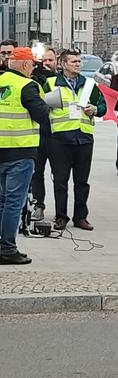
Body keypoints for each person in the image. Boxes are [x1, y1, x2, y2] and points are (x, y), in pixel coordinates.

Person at [44, 49, 107, 231]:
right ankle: (61, 216)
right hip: (60, 138)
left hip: (83, 138)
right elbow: (42, 108)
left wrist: (95, 109)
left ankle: (81, 217)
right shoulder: (51, 83)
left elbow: (102, 107)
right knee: (60, 181)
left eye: (79, 61)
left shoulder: (88, 84)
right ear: (63, 64)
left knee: (82, 182)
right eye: (73, 62)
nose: (78, 64)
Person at [0, 48, 50, 264]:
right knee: (14, 202)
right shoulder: (27, 86)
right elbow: (41, 114)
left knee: (2, 201)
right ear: (23, 64)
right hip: (20, 151)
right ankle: (8, 248)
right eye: (31, 64)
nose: (33, 68)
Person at [29, 46, 57, 222]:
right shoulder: (32, 80)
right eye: (44, 60)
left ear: (57, 61)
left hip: (56, 134)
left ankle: (61, 211)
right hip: (38, 133)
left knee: (59, 174)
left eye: (50, 60)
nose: (47, 63)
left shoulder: (61, 80)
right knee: (37, 172)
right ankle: (39, 204)